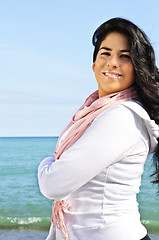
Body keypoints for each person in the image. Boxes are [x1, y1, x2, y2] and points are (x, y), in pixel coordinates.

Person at [38, 17, 159, 240]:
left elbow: (53, 185)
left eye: (125, 56)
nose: (112, 62)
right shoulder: (95, 112)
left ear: (137, 68)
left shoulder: (122, 116)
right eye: (105, 53)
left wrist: (48, 163)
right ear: (94, 65)